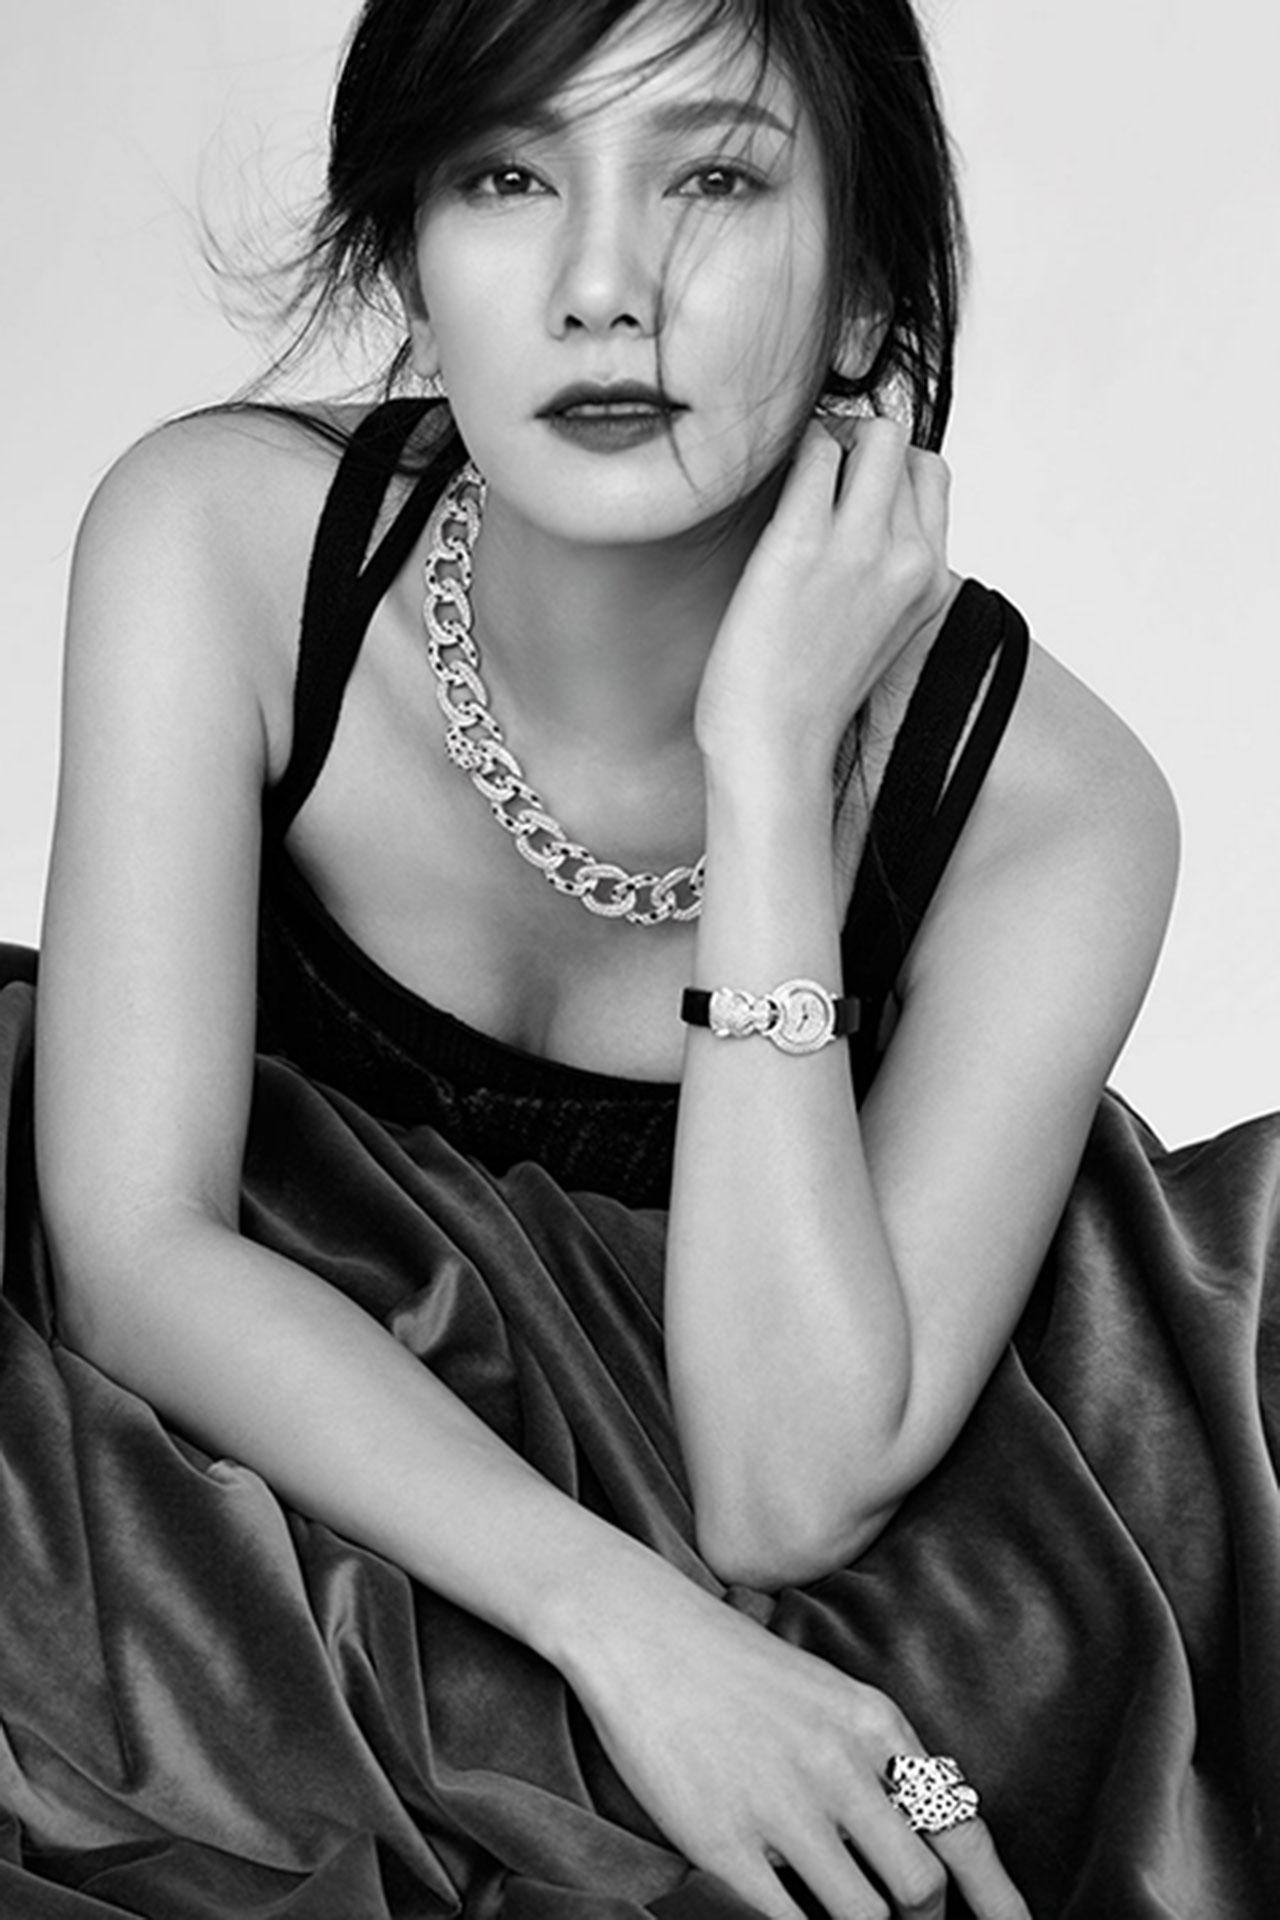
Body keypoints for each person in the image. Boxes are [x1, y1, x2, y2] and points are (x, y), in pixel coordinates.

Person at [0, 1, 1276, 1916]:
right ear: (411, 265)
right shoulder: (218, 542)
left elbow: (779, 1488)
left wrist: (766, 763)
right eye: (508, 176)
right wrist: (630, 1631)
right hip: (247, 1479)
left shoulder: (1059, 812)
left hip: (765, 1500)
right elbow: (134, 1250)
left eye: (716, 179)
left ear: (865, 291)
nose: (603, 287)